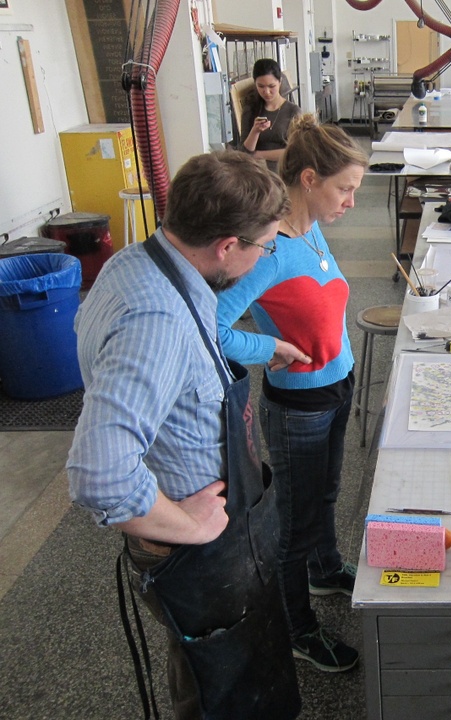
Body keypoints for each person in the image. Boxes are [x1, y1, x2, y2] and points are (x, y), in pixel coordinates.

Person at [67, 151, 301, 718]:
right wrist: (189, 525)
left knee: (219, 662)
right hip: (194, 545)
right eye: (263, 246)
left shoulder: (139, 263)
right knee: (216, 683)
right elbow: (100, 474)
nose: (263, 256)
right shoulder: (157, 319)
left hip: (215, 526)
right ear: (226, 246)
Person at [217, 116, 367, 674]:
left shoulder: (312, 228)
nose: (351, 201)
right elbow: (213, 324)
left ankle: (325, 569)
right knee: (294, 524)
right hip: (299, 403)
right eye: (344, 189)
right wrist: (268, 349)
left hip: (337, 383)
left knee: (326, 493)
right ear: (308, 179)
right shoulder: (271, 249)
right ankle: (297, 628)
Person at [241, 58, 302, 173]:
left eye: (271, 86)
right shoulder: (250, 110)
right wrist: (255, 131)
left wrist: (259, 154)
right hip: (257, 174)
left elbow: (295, 152)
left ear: (280, 82)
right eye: (261, 86)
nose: (267, 92)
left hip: (284, 174)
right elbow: (244, 153)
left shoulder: (292, 111)